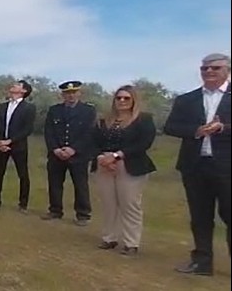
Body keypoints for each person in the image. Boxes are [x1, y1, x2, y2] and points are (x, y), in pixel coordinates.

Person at [164, 52, 231, 276]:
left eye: (215, 68)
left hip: (227, 167)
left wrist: (223, 128)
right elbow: (170, 127)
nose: (209, 71)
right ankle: (202, 263)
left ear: (227, 70)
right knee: (200, 217)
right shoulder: (187, 99)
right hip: (195, 166)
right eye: (205, 68)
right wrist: (195, 131)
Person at [92, 85, 157, 256]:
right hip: (104, 165)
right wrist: (102, 158)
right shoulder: (104, 120)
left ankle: (131, 243)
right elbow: (92, 141)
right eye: (119, 98)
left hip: (130, 164)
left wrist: (117, 156)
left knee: (129, 204)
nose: (122, 101)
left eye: (126, 98)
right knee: (109, 204)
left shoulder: (143, 119)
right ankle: (109, 238)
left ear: (133, 100)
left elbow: (144, 143)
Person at [42, 81, 97, 226]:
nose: (71, 96)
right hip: (57, 154)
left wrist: (74, 149)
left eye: (74, 93)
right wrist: (55, 149)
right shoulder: (54, 110)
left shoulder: (88, 111)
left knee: (80, 184)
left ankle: (83, 214)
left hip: (78, 155)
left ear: (79, 93)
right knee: (55, 183)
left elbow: (89, 133)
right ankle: (55, 210)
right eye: (67, 93)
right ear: (63, 95)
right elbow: (49, 131)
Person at [0, 80, 37, 213]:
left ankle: (23, 204)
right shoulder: (2, 106)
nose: (13, 85)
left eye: (17, 85)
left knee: (22, 174)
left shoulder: (29, 108)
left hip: (18, 146)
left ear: (24, 91)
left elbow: (27, 129)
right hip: (0, 146)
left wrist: (10, 141)